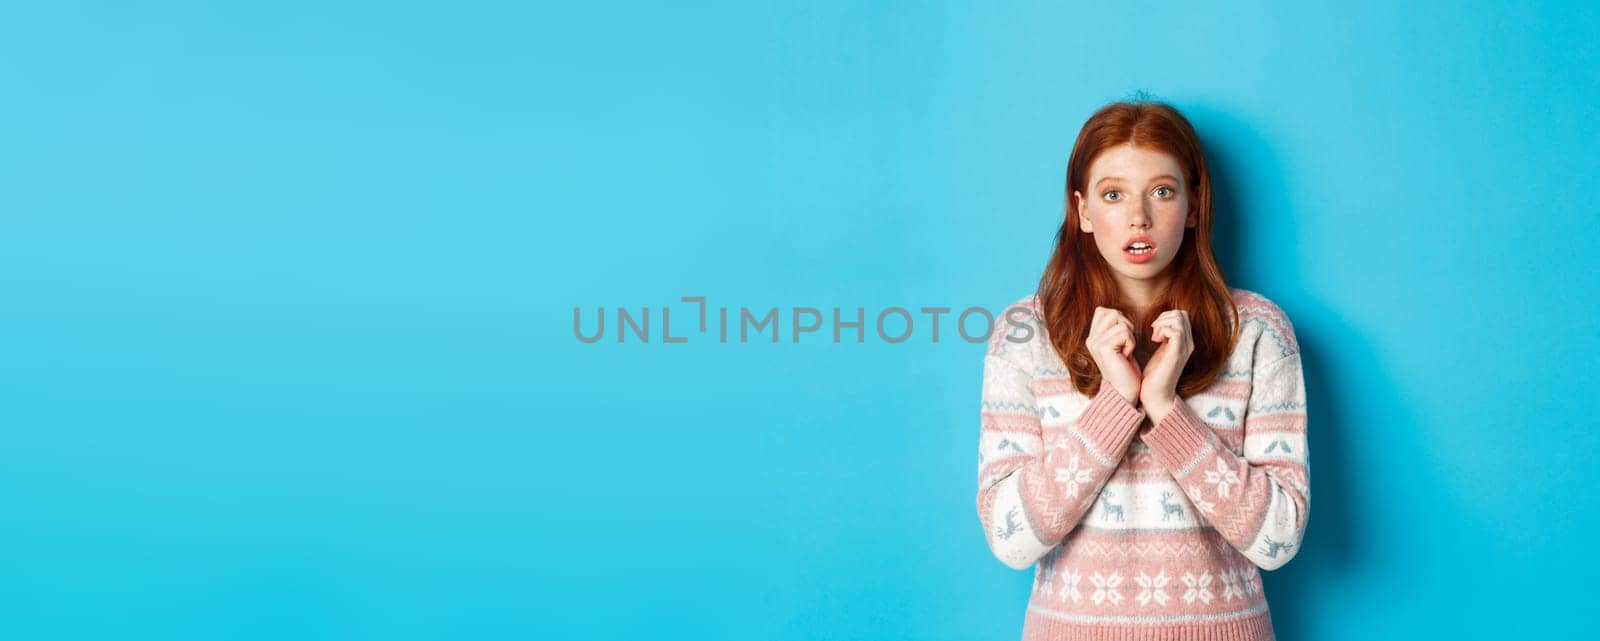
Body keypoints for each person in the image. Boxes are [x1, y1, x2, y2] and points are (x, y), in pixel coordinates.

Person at [975, 99, 1309, 641]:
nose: (1139, 216)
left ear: (1194, 206)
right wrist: (1116, 404)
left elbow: (1278, 538)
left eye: (1162, 191)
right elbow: (1011, 540)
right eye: (1113, 194)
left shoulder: (1258, 331)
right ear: (1082, 211)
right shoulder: (1024, 334)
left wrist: (1165, 410)